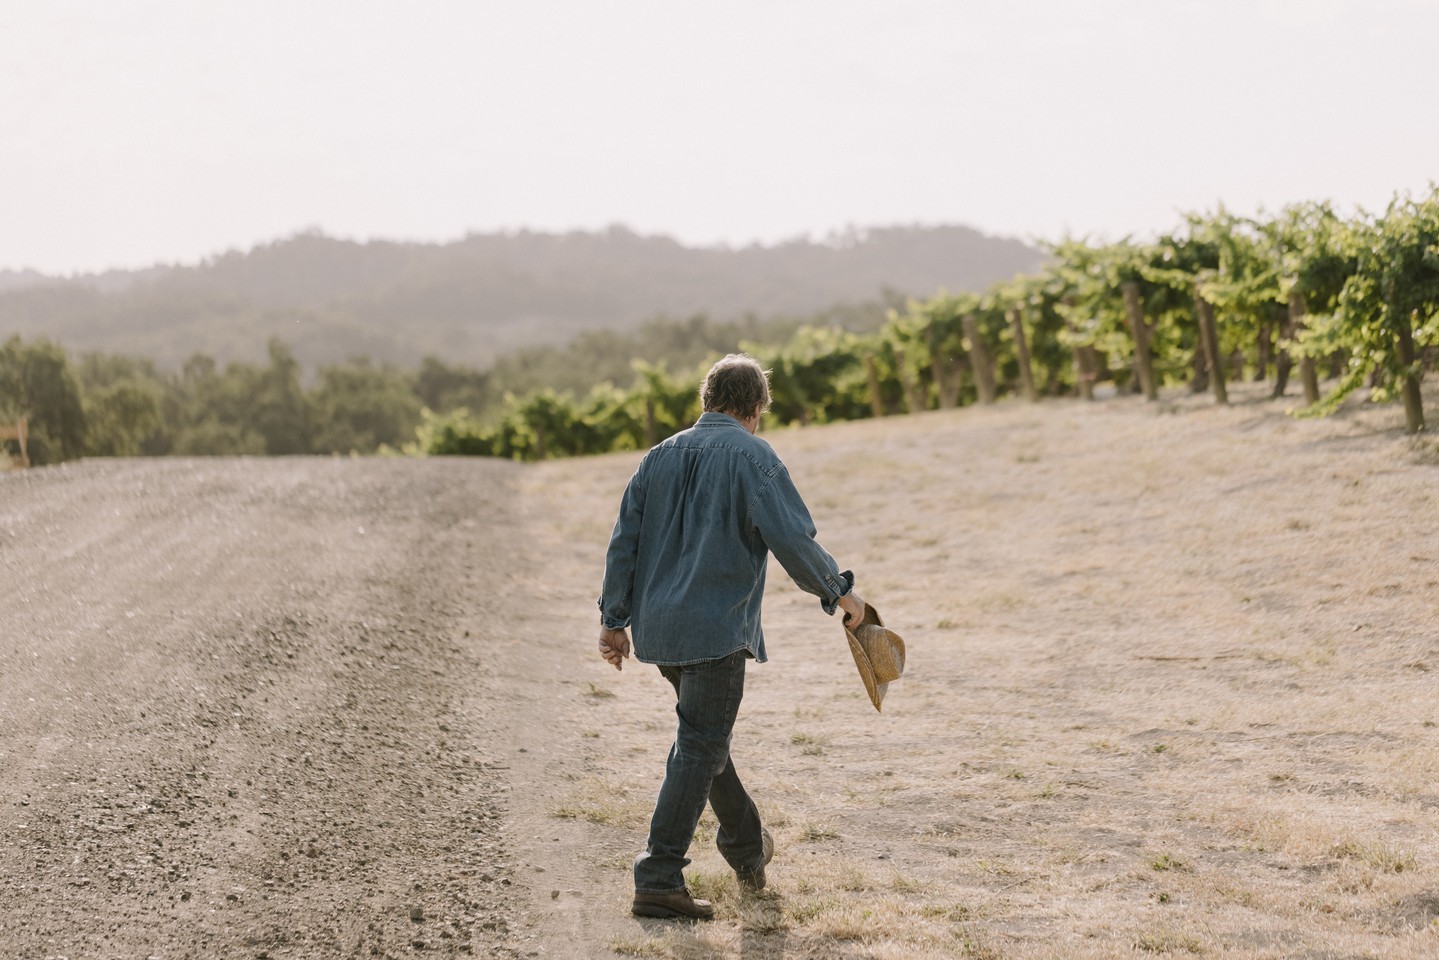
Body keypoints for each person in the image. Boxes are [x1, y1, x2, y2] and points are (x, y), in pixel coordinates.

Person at [597, 353, 865, 920]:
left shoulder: (657, 456)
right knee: (699, 745)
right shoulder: (754, 456)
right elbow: (792, 538)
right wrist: (839, 592)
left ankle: (747, 852)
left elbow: (625, 540)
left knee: (704, 741)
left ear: (707, 399)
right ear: (755, 409)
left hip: (660, 629)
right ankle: (658, 876)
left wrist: (613, 619)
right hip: (715, 629)